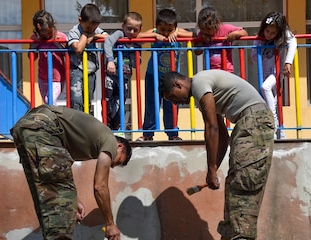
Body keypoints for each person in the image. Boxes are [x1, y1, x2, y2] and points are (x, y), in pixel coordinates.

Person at [159, 70, 274, 240]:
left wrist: (211, 169)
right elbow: (221, 136)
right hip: (247, 124)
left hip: (254, 122)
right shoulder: (205, 89)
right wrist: (211, 170)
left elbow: (211, 128)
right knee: (234, 185)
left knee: (244, 186)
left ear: (177, 84)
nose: (176, 103)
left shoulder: (200, 83)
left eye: (173, 98)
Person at [10, 104, 132, 240]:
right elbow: (100, 186)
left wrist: (74, 199)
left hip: (27, 128)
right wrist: (110, 224)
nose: (112, 165)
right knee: (59, 199)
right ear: (120, 146)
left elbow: (60, 175)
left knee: (48, 195)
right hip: (44, 127)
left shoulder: (86, 140)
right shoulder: (108, 139)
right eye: (117, 161)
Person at [135, 8, 193, 141]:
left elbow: (192, 35)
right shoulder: (154, 33)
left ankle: (172, 133)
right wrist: (155, 36)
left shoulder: (178, 32)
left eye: (169, 30)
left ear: (175, 27)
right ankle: (148, 134)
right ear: (157, 27)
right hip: (153, 75)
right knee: (151, 103)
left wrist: (177, 33)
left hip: (172, 78)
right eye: (162, 30)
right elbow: (137, 36)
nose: (166, 33)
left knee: (171, 104)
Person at [252, 11, 297, 139]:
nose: (269, 35)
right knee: (272, 102)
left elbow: (293, 42)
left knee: (265, 87)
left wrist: (288, 62)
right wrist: (257, 43)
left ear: (279, 32)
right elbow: (254, 58)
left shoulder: (284, 35)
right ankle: (280, 134)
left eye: (273, 33)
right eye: (267, 32)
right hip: (264, 72)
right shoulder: (260, 38)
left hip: (276, 72)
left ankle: (274, 123)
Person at [103, 12, 142, 130]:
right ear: (123, 26)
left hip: (124, 78)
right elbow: (108, 42)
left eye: (135, 30)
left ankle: (116, 127)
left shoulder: (136, 43)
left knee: (120, 103)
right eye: (129, 29)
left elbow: (136, 64)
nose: (131, 32)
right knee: (108, 101)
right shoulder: (119, 34)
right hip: (111, 76)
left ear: (139, 30)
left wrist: (134, 53)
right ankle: (106, 125)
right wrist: (110, 60)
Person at [67, 4, 108, 112]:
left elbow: (108, 37)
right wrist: (85, 35)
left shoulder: (95, 30)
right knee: (77, 101)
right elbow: (78, 49)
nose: (91, 30)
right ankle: (76, 126)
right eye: (88, 27)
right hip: (77, 70)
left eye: (94, 28)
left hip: (90, 71)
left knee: (88, 100)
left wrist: (94, 35)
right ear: (80, 20)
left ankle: (85, 126)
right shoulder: (75, 31)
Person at [29, 10, 67, 106]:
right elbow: (32, 58)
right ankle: (52, 119)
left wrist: (59, 45)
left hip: (57, 77)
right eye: (43, 33)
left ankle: (58, 119)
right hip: (43, 77)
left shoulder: (60, 36)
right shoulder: (35, 38)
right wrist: (34, 45)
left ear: (53, 25)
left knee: (50, 100)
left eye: (49, 32)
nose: (47, 35)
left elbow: (68, 56)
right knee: (47, 103)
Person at [195, 6, 248, 73]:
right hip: (209, 70)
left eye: (208, 29)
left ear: (217, 23)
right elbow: (197, 52)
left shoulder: (226, 28)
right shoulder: (202, 34)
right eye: (202, 29)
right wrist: (201, 39)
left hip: (227, 69)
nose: (205, 31)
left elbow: (244, 33)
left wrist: (234, 34)